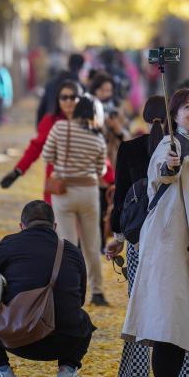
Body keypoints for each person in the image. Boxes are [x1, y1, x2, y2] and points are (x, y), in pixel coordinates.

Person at [122, 87, 189, 377]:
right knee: (168, 329)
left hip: (183, 248)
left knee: (173, 326)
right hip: (168, 248)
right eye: (186, 107)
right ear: (173, 116)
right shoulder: (171, 146)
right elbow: (165, 172)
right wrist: (169, 166)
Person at [106, 95, 189, 377]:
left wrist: (118, 237)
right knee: (179, 306)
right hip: (178, 238)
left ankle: (134, 375)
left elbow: (121, 198)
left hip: (140, 239)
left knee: (142, 304)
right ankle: (184, 375)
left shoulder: (131, 149)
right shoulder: (185, 149)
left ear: (146, 117)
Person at [0, 200, 94, 377]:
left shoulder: (9, 244)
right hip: (65, 340)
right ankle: (67, 372)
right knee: (84, 319)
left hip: (15, 335)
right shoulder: (72, 251)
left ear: (21, 226)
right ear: (55, 226)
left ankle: (0, 370)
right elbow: (80, 299)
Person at [42, 96, 108, 306]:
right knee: (92, 244)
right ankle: (97, 291)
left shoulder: (60, 128)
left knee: (68, 245)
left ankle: (70, 291)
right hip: (89, 192)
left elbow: (46, 156)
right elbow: (101, 170)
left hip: (64, 193)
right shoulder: (98, 138)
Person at [0, 79, 79, 203]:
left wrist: (111, 180)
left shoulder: (87, 122)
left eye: (73, 97)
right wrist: (18, 171)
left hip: (82, 184)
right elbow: (35, 148)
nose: (68, 101)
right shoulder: (50, 121)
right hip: (56, 183)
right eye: (64, 97)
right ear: (58, 100)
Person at [35, 53, 84, 126]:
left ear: (68, 63)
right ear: (82, 66)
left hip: (50, 123)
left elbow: (42, 108)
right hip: (72, 126)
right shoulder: (80, 86)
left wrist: (39, 126)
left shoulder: (51, 82)